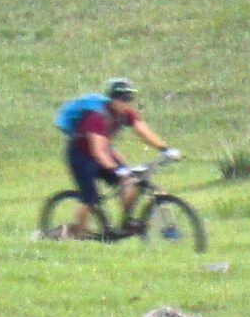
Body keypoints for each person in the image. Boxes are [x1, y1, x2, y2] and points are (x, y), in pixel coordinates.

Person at [63, 78, 176, 237]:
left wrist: (165, 149)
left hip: (104, 153)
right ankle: (77, 234)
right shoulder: (96, 116)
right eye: (122, 98)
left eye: (129, 99)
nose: (126, 103)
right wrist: (116, 169)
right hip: (82, 156)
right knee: (89, 198)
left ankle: (127, 222)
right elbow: (97, 151)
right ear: (112, 99)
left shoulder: (126, 114)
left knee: (129, 182)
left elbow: (143, 131)